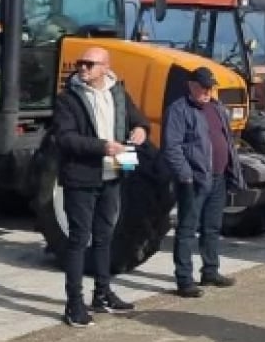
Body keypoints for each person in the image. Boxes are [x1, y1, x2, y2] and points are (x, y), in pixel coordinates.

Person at [50, 46, 148, 326]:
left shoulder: (118, 93)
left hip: (112, 175)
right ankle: (74, 303)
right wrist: (102, 147)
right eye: (81, 63)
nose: (82, 68)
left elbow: (138, 120)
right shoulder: (68, 99)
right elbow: (65, 138)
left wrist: (140, 130)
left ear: (106, 67)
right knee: (80, 239)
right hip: (81, 176)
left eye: (90, 64)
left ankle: (102, 293)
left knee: (105, 236)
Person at [161, 66, 244, 297]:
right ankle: (184, 279)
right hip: (194, 180)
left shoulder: (216, 107)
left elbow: (226, 140)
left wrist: (232, 168)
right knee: (187, 229)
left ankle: (210, 270)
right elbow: (172, 147)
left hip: (218, 177)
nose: (208, 92)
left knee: (212, 227)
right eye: (203, 87)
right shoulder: (179, 110)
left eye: (210, 87)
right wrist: (185, 175)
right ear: (191, 86)